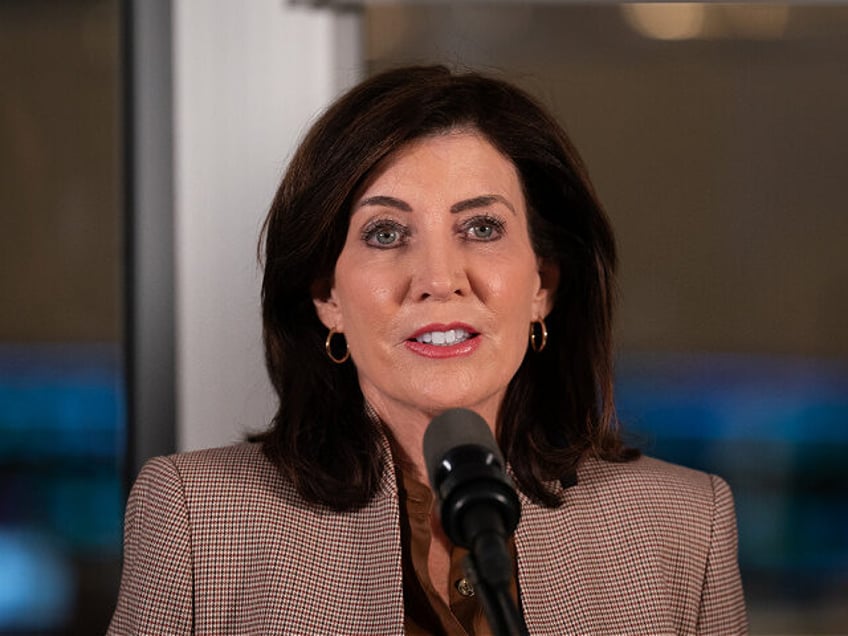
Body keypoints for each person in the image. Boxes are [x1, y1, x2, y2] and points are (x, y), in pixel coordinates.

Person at [108, 65, 747, 634]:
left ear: (542, 287)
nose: (440, 279)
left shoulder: (685, 526)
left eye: (481, 227)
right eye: (386, 233)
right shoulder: (198, 522)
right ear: (328, 295)